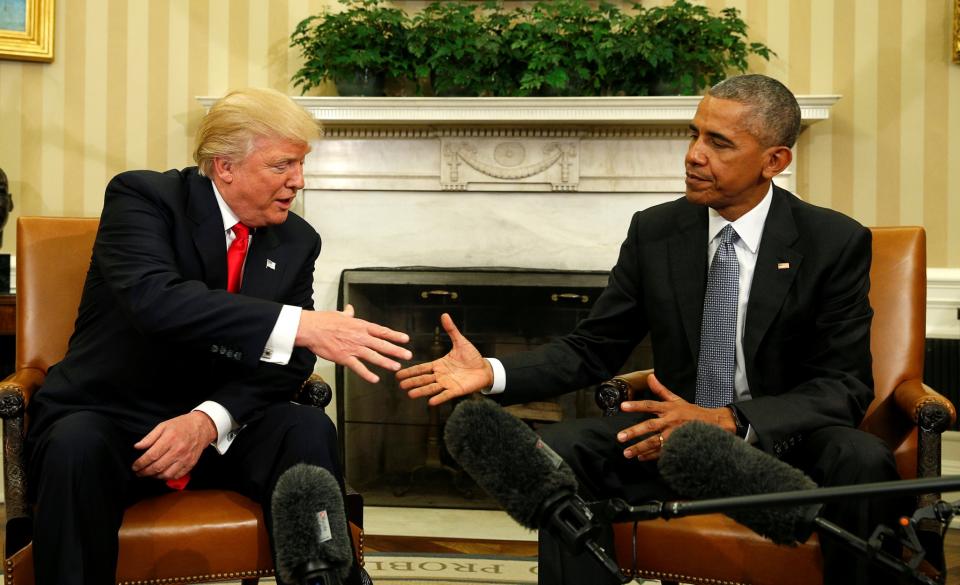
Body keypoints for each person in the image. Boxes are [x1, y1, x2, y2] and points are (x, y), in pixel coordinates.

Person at [397, 74, 904, 585]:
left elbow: (843, 386)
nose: (693, 154)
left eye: (719, 143)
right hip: (669, 439)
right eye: (694, 134)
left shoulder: (831, 241)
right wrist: (493, 371)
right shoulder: (656, 231)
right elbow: (593, 347)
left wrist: (729, 419)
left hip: (783, 443)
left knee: (862, 458)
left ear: (774, 161)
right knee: (566, 452)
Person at [25, 87, 411, 585]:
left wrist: (210, 420)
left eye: (300, 165)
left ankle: (327, 578)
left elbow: (289, 363)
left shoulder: (296, 239)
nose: (298, 182)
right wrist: (302, 325)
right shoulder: (144, 199)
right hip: (113, 418)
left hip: (220, 432)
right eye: (282, 165)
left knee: (308, 428)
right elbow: (156, 301)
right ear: (225, 166)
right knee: (74, 443)